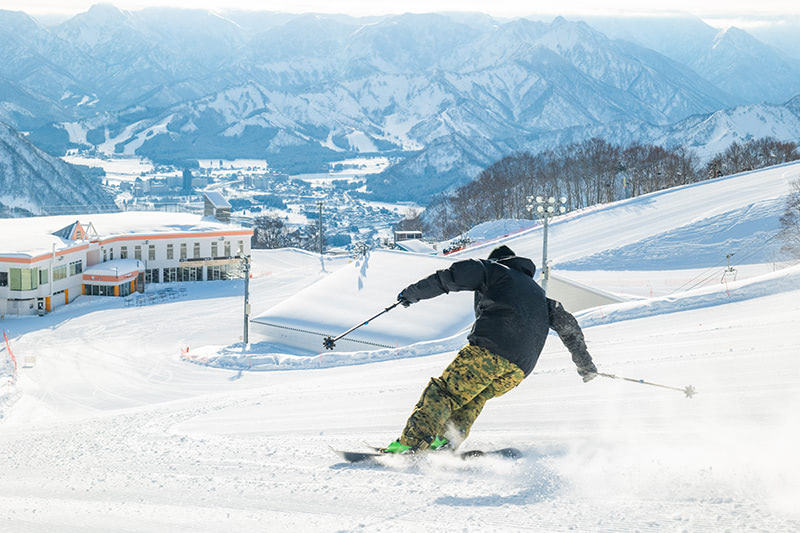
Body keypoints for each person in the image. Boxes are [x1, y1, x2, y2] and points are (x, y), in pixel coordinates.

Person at [383, 244, 597, 454]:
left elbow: (450, 277)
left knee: (444, 392)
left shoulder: (494, 270)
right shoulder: (539, 295)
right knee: (473, 396)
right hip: (519, 369)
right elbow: (569, 327)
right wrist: (585, 365)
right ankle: (445, 441)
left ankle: (412, 443)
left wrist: (412, 293)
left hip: (490, 351)